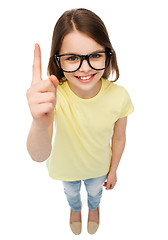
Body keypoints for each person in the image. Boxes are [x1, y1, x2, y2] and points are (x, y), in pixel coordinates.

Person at [26, 8, 134, 235]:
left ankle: (94, 208)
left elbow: (119, 136)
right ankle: (75, 210)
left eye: (95, 55)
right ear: (58, 60)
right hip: (65, 170)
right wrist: (39, 123)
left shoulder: (119, 96)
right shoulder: (55, 96)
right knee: (72, 194)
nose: (85, 68)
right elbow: (38, 155)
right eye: (73, 58)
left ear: (108, 54)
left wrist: (114, 170)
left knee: (95, 193)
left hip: (99, 169)